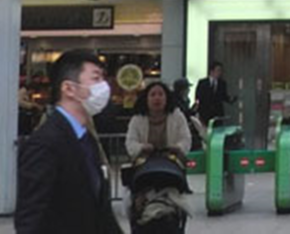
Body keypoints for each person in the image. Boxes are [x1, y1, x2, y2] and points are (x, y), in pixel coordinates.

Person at [15, 49, 122, 234]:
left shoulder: (86, 139)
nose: (103, 87)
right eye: (95, 78)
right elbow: (31, 217)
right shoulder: (45, 144)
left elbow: (100, 212)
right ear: (69, 88)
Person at [125, 81, 192, 161]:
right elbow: (130, 142)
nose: (157, 98)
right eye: (152, 95)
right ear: (146, 99)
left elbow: (186, 139)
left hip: (173, 162)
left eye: (161, 94)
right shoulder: (137, 119)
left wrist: (178, 147)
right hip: (144, 163)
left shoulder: (178, 117)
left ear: (167, 98)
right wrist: (141, 147)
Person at [194, 61, 234, 126]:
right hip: (205, 112)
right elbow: (198, 96)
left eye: (220, 71)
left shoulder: (222, 83)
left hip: (217, 112)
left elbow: (223, 96)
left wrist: (230, 99)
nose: (220, 73)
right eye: (218, 70)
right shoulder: (203, 83)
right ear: (212, 71)